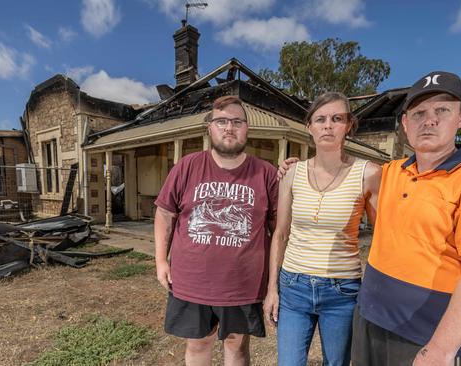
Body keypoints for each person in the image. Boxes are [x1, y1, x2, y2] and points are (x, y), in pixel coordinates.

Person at [351, 71, 461, 366]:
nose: (429, 120)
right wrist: (292, 169)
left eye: (442, 110)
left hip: (423, 337)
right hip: (369, 319)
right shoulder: (390, 172)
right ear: (405, 124)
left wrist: (441, 349)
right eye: (418, 113)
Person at [154, 95, 278, 366]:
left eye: (237, 121)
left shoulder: (266, 174)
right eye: (221, 121)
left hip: (243, 283)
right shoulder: (187, 166)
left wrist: (274, 283)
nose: (229, 127)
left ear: (247, 128)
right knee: (198, 344)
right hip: (192, 280)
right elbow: (165, 213)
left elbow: (277, 230)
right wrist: (161, 260)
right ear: (210, 127)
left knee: (237, 345)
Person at [263, 92, 381, 366]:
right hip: (293, 286)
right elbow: (280, 234)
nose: (328, 125)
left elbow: (381, 236)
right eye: (320, 119)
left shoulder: (369, 174)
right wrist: (272, 289)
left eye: (337, 118)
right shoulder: (291, 173)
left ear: (348, 125)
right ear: (309, 127)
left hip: (342, 291)